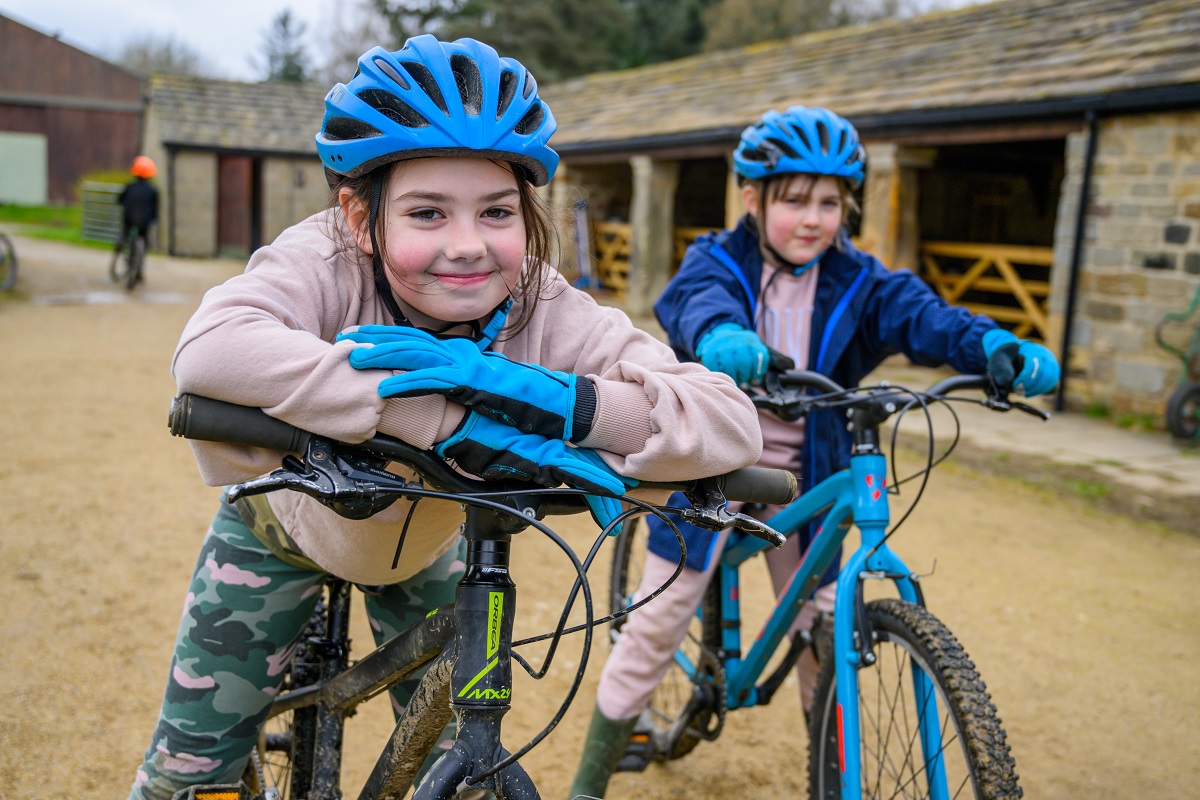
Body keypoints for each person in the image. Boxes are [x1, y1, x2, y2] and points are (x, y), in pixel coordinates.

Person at [127, 36, 763, 800]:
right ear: (360, 218)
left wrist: (558, 401)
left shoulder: (538, 297)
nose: (467, 246)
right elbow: (208, 353)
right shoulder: (325, 259)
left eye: (497, 211)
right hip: (287, 528)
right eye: (426, 212)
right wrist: (442, 421)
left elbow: (730, 423)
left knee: (457, 769)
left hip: (426, 541)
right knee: (187, 780)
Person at [567, 105, 1060, 798]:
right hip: (712, 461)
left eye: (830, 202)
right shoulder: (718, 260)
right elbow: (693, 299)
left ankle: (836, 772)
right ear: (752, 197)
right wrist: (719, 337)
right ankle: (589, 781)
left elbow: (924, 315)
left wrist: (993, 347)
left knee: (824, 627)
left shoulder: (857, 279)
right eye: (794, 199)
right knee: (659, 619)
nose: (812, 218)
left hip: (809, 470)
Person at [113, 155, 159, 279]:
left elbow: (119, 200)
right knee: (144, 242)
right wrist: (153, 219)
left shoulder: (129, 186)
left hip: (128, 220)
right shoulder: (152, 190)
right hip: (144, 223)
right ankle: (140, 269)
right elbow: (155, 209)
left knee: (124, 234)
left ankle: (120, 246)